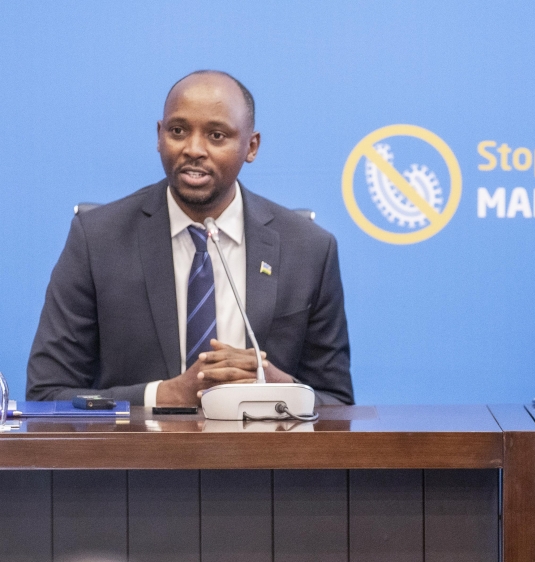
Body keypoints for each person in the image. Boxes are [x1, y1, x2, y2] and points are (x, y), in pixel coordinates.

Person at [27, 70, 353, 406]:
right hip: (138, 457)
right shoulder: (97, 240)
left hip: (261, 456)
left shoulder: (309, 248)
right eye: (178, 131)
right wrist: (162, 395)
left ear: (251, 146)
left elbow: (338, 404)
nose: (194, 149)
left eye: (216, 135)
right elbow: (47, 395)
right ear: (159, 135)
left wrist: (279, 388)